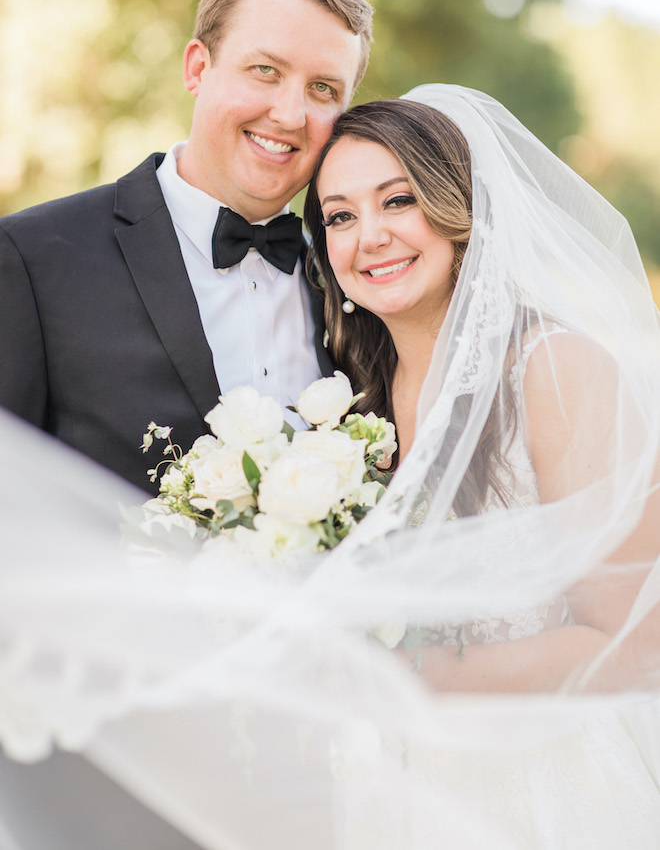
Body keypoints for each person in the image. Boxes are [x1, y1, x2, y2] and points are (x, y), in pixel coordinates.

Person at [1, 86, 660, 849]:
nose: (369, 236)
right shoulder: (352, 401)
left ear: (460, 210)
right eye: (340, 216)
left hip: (540, 792)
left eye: (398, 201)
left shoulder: (553, 368)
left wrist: (408, 678)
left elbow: (637, 639)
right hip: (383, 795)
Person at [0, 0, 372, 494]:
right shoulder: (32, 257)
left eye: (324, 89)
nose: (291, 115)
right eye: (265, 70)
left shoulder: (361, 279)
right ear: (198, 67)